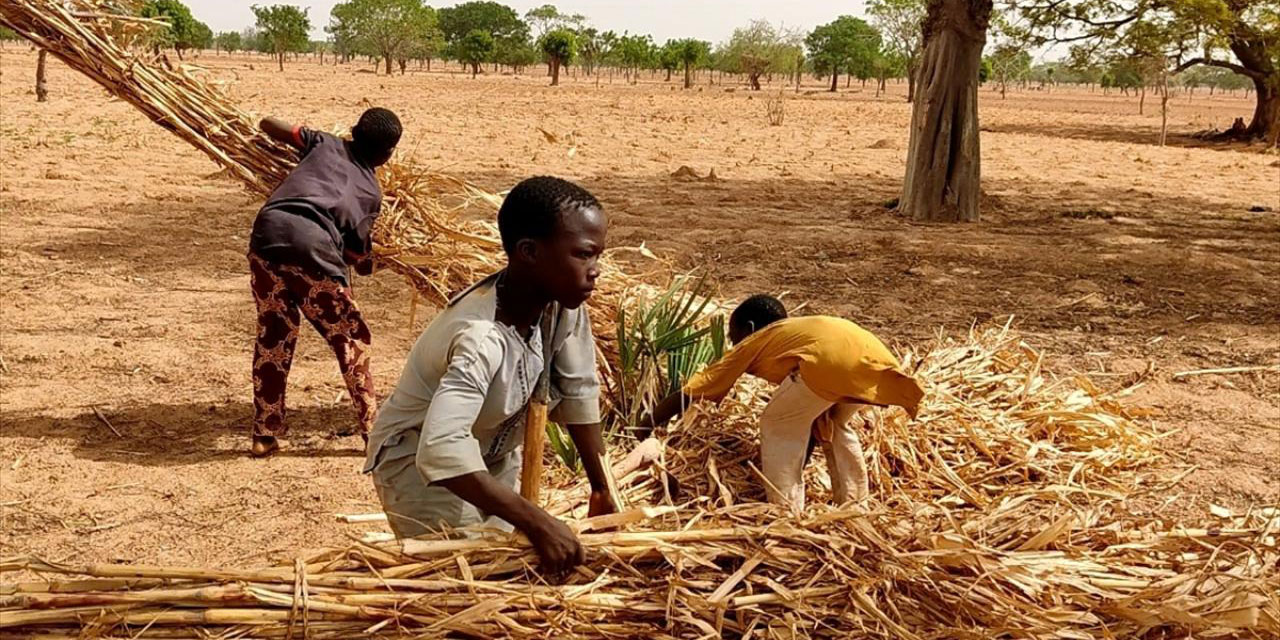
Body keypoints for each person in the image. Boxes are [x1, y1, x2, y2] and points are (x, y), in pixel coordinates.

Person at [364, 176, 618, 576]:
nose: (595, 270)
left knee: (511, 565)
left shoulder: (563, 308)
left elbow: (579, 388)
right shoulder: (479, 338)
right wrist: (536, 519)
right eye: (584, 255)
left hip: (492, 453)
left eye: (597, 256)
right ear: (529, 252)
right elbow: (441, 450)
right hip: (419, 465)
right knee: (465, 577)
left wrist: (602, 487)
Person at [637, 295, 924, 513]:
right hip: (874, 364)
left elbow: (694, 390)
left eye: (732, 336)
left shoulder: (756, 339)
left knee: (778, 425)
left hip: (829, 365)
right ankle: (854, 505)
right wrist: (800, 463)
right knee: (834, 424)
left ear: (748, 328)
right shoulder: (797, 332)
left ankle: (785, 512)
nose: (732, 342)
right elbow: (809, 421)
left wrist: (643, 425)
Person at [246, 107, 402, 457]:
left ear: (353, 131)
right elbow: (356, 260)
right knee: (351, 339)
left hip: (266, 238)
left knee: (275, 335)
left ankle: (264, 433)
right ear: (388, 154)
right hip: (313, 252)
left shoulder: (323, 143)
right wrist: (382, 260)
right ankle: (372, 432)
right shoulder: (372, 195)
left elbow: (270, 124)